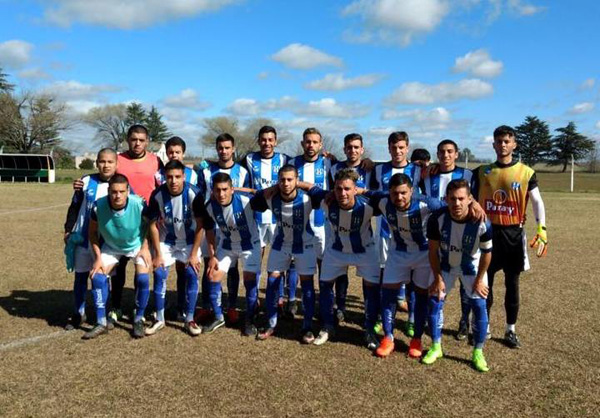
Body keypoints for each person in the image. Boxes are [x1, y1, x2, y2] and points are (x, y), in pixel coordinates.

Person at [74, 125, 163, 323]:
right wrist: (82, 182)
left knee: (145, 266)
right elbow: (104, 172)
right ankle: (116, 306)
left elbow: (165, 183)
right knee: (118, 270)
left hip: (143, 219)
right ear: (127, 140)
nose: (137, 143)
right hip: (115, 220)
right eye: (133, 139)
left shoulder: (156, 160)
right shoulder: (119, 159)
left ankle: (145, 310)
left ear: (147, 141)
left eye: (141, 140)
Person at [471, 125, 548, 348]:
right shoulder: (482, 171)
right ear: (493, 144)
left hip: (513, 234)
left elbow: (537, 202)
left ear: (514, 144)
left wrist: (541, 229)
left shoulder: (526, 172)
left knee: (512, 284)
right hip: (488, 232)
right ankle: (484, 328)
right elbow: (456, 177)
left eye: (507, 141)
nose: (502, 145)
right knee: (486, 282)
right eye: (499, 141)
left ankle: (510, 330)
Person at [362, 173, 442, 358]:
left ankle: (417, 340)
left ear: (411, 191)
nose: (399, 197)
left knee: (421, 296)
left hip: (423, 255)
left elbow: (451, 207)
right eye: (395, 193)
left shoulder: (427, 203)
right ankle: (388, 338)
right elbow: (367, 193)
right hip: (397, 253)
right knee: (388, 294)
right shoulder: (383, 201)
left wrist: (474, 205)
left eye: (403, 193)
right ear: (389, 193)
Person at [303, 169, 381, 348]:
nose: (342, 193)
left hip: (365, 252)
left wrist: (364, 191)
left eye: (347, 189)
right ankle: (328, 326)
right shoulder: (327, 200)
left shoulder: (369, 205)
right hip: (336, 251)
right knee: (324, 285)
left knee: (371, 289)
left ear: (355, 189)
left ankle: (369, 330)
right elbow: (309, 187)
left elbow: (386, 195)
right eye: (338, 189)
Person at [425, 179, 493, 372]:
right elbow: (432, 251)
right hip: (445, 266)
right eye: (452, 199)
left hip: (471, 268)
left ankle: (478, 352)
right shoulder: (436, 219)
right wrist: (437, 278)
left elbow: (487, 254)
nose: (457, 203)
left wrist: (479, 280)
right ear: (446, 199)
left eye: (461, 199)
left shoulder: (482, 223)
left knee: (480, 306)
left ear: (470, 199)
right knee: (434, 301)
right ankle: (436, 347)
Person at [250, 165, 319, 343]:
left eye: (290, 179)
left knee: (307, 284)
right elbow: (255, 201)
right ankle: (271, 323)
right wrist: (272, 188)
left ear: (297, 180)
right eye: (282, 180)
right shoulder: (272, 198)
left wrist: (304, 184)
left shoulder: (308, 199)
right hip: (281, 244)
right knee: (273, 279)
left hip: (305, 244)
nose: (286, 183)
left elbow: (325, 193)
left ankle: (307, 327)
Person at [83, 174, 152, 340]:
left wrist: (145, 247)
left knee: (143, 278)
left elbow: (151, 224)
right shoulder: (98, 206)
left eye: (122, 191)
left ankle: (138, 319)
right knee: (97, 277)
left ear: (128, 191)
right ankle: (101, 322)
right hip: (111, 246)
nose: (118, 195)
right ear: (108, 191)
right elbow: (92, 233)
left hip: (136, 245)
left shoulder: (139, 204)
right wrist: (98, 257)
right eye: (114, 192)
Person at [195, 173, 262, 337]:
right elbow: (209, 231)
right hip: (227, 245)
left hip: (249, 246)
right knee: (212, 276)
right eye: (217, 190)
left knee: (249, 279)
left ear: (232, 189)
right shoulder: (210, 206)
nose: (221, 194)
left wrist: (242, 189)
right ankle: (218, 317)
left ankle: (250, 319)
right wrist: (212, 256)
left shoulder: (247, 201)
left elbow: (261, 194)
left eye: (225, 189)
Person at [420, 139, 474, 341]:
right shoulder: (428, 174)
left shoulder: (467, 175)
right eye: (442, 152)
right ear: (437, 154)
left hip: (462, 233)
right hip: (436, 232)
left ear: (456, 154)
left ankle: (463, 322)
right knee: (435, 277)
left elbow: (474, 199)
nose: (446, 155)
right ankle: (430, 319)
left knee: (465, 280)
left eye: (450, 151)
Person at [146, 160, 205, 337]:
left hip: (188, 241)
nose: (173, 181)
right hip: (167, 240)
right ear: (164, 177)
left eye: (177, 177)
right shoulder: (157, 194)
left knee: (191, 273)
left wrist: (194, 254)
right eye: (169, 177)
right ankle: (160, 318)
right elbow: (153, 225)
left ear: (184, 177)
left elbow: (201, 225)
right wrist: (157, 254)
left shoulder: (194, 193)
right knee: (159, 273)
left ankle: (190, 319)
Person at [196, 133, 250, 325]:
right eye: (220, 148)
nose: (224, 151)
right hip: (212, 224)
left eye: (227, 147)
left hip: (233, 228)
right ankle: (207, 306)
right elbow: (200, 197)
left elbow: (247, 197)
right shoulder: (205, 171)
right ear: (216, 149)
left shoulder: (243, 172)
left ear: (233, 148)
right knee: (210, 264)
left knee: (232, 266)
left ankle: (232, 306)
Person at [371, 131, 422, 328]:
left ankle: (411, 319)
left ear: (407, 148)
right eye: (394, 147)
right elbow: (372, 194)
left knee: (411, 277)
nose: (397, 151)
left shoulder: (418, 170)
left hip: (410, 232)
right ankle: (381, 317)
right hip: (385, 230)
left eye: (401, 147)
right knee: (384, 275)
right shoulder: (378, 169)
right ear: (388, 148)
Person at [63, 148, 118, 330]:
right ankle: (79, 313)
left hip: (106, 243)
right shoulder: (85, 181)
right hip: (82, 239)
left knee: (102, 279)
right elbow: (74, 206)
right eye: (102, 161)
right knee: (80, 277)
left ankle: (103, 313)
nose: (106, 165)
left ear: (116, 164)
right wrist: (68, 230)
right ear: (97, 163)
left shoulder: (119, 184)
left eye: (110, 162)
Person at [154, 135, 199, 323]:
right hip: (168, 230)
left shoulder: (194, 176)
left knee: (187, 269)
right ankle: (166, 311)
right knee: (164, 270)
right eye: (170, 152)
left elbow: (200, 204)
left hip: (189, 230)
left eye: (177, 152)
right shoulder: (158, 176)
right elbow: (157, 200)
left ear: (183, 153)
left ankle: (186, 306)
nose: (173, 155)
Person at [328, 133, 372, 323]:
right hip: (338, 225)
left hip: (362, 226)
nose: (352, 150)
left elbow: (376, 194)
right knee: (340, 267)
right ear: (344, 149)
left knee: (367, 273)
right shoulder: (334, 167)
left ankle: (369, 313)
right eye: (349, 147)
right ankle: (340, 306)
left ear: (362, 149)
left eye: (356, 147)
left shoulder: (370, 168)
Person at [243, 126, 289, 311]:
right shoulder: (248, 159)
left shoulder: (284, 159)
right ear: (259, 141)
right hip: (258, 217)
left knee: (283, 258)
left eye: (270, 139)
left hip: (279, 218)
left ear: (275, 141)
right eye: (263, 139)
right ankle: (255, 298)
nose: (267, 143)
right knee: (257, 259)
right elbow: (232, 169)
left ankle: (280, 297)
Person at [288, 128, 331, 317]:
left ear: (321, 145)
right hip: (297, 221)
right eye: (307, 141)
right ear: (302, 143)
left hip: (321, 222)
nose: (311, 145)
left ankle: (324, 302)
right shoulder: (291, 163)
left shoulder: (329, 163)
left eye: (315, 142)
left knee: (323, 263)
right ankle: (291, 301)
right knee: (294, 262)